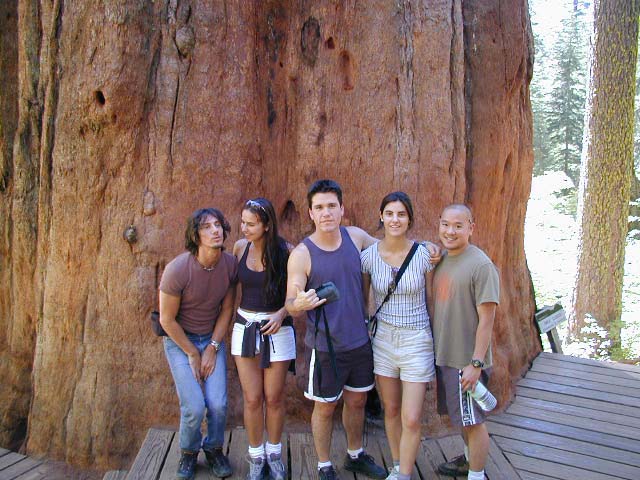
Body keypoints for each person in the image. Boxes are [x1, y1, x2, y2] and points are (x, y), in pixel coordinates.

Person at [285, 179, 387, 480]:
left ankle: (355, 455)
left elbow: (390, 249)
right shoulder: (303, 253)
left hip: (360, 342)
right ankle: (324, 464)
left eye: (332, 206)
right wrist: (299, 303)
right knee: (325, 407)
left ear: (342, 209)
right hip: (325, 346)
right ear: (310, 213)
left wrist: (426, 249)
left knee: (357, 400)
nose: (326, 212)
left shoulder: (355, 238)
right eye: (319, 207)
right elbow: (291, 300)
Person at [360, 192, 435, 480]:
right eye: (389, 213)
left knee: (411, 417)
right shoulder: (368, 258)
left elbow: (432, 299)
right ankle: (396, 465)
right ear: (381, 216)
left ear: (409, 219)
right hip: (383, 340)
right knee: (390, 409)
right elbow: (364, 298)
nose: (395, 219)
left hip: (417, 339)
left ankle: (404, 474)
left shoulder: (425, 255)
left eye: (401, 214)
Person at [159, 208, 237, 480]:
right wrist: (193, 353)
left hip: (212, 340)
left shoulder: (228, 264)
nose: (215, 230)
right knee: (193, 406)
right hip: (181, 341)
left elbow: (227, 309)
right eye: (206, 227)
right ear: (196, 235)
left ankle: (214, 449)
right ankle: (188, 453)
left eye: (218, 225)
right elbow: (167, 320)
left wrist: (213, 348)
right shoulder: (178, 269)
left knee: (217, 404)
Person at [431, 204, 500, 480]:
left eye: (458, 225)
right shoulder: (444, 259)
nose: (450, 231)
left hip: (467, 361)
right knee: (462, 417)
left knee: (474, 422)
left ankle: (476, 474)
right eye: (445, 224)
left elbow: (487, 319)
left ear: (471, 227)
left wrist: (476, 363)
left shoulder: (481, 265)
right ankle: (469, 459)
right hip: (447, 357)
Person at [231, 198, 295, 480]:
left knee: (274, 397)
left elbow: (297, 294)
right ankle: (256, 457)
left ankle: (275, 454)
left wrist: (281, 314)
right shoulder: (239, 248)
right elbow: (233, 292)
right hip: (245, 327)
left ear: (267, 225)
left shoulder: (287, 252)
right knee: (252, 398)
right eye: (243, 222)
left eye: (251, 223)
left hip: (277, 328)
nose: (244, 228)